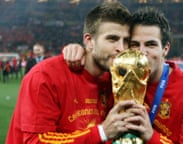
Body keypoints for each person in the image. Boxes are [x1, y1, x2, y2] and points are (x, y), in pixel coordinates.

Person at [63, 7, 183, 144]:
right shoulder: (114, 77)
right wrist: (79, 51)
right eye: (134, 44)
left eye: (150, 45)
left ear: (165, 49)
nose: (142, 52)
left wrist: (152, 137)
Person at [5, 2, 145, 144]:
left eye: (126, 41)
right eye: (112, 39)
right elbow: (35, 141)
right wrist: (102, 132)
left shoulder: (118, 79)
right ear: (89, 41)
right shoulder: (45, 76)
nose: (121, 48)